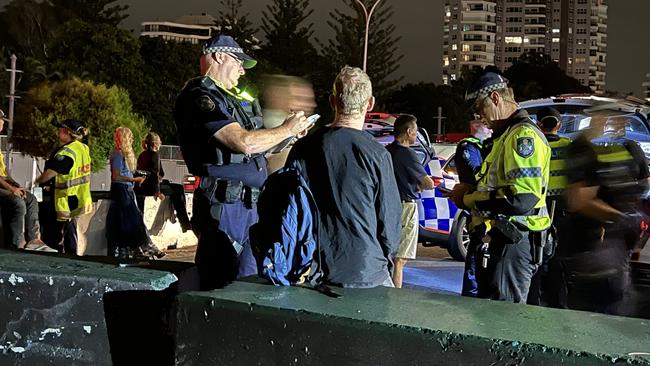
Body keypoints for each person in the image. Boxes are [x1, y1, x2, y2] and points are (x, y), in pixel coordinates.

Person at [174, 34, 313, 289]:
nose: (241, 70)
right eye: (238, 62)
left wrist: (288, 135)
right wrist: (285, 130)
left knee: (250, 282)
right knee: (219, 281)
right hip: (225, 205)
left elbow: (255, 151)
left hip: (250, 205)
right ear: (218, 56)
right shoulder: (200, 96)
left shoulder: (230, 99)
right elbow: (242, 142)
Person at [286, 66, 402, 288]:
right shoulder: (377, 154)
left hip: (311, 269)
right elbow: (390, 222)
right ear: (370, 104)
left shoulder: (303, 148)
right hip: (365, 270)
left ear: (332, 102)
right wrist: (383, 262)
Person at [448, 72, 551, 303]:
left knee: (504, 323)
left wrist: (468, 198)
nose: (479, 116)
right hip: (504, 242)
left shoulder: (523, 136)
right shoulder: (506, 136)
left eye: (480, 108)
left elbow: (522, 199)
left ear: (495, 98)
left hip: (514, 243)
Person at [558, 117, 649, 314]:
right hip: (594, 242)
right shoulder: (587, 150)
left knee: (603, 301)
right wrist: (624, 217)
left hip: (606, 244)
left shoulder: (626, 148)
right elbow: (579, 200)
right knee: (600, 302)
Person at [528, 107, 571, 306]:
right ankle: (558, 306)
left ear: (539, 124)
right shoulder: (569, 147)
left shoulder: (535, 145)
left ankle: (533, 303)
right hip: (562, 215)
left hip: (536, 212)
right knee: (557, 265)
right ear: (559, 125)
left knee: (534, 262)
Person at [386, 114, 434, 288]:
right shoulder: (408, 154)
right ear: (408, 131)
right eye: (415, 130)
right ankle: (395, 296)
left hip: (387, 206)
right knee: (400, 258)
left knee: (389, 254)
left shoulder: (387, 151)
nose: (416, 134)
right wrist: (428, 184)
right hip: (405, 206)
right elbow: (426, 183)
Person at [34, 119, 93, 254]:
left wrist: (38, 180)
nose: (58, 132)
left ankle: (60, 260)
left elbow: (51, 172)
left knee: (57, 236)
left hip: (64, 199)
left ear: (66, 132)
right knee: (70, 231)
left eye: (60, 130)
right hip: (79, 197)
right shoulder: (83, 148)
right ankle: (71, 258)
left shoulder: (66, 152)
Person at [104, 127, 164, 260]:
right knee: (133, 219)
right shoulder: (118, 154)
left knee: (126, 220)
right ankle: (143, 246)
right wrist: (133, 179)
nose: (132, 140)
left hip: (125, 189)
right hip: (122, 189)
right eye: (130, 138)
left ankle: (131, 248)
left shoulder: (121, 155)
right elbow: (116, 176)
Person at [0, 109, 48, 251]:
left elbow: (4, 173)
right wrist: (12, 189)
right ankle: (17, 243)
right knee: (17, 203)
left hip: (3, 185)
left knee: (30, 198)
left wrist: (17, 186)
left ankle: (34, 239)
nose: (2, 123)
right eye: (1, 120)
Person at [455, 117, 492, 297]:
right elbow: (477, 175)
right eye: (486, 126)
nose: (490, 130)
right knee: (476, 259)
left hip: (488, 211)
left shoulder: (485, 146)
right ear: (475, 126)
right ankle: (472, 297)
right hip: (479, 211)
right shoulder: (469, 146)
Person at [134, 132, 192, 232]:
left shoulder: (142, 155)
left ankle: (184, 222)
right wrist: (157, 192)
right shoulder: (154, 155)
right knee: (178, 189)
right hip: (151, 187)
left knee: (174, 189)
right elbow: (156, 174)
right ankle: (185, 223)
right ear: (156, 144)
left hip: (142, 187)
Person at [261, 75, 317, 174]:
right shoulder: (271, 126)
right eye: (301, 99)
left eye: (310, 99)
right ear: (278, 98)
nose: (312, 104)